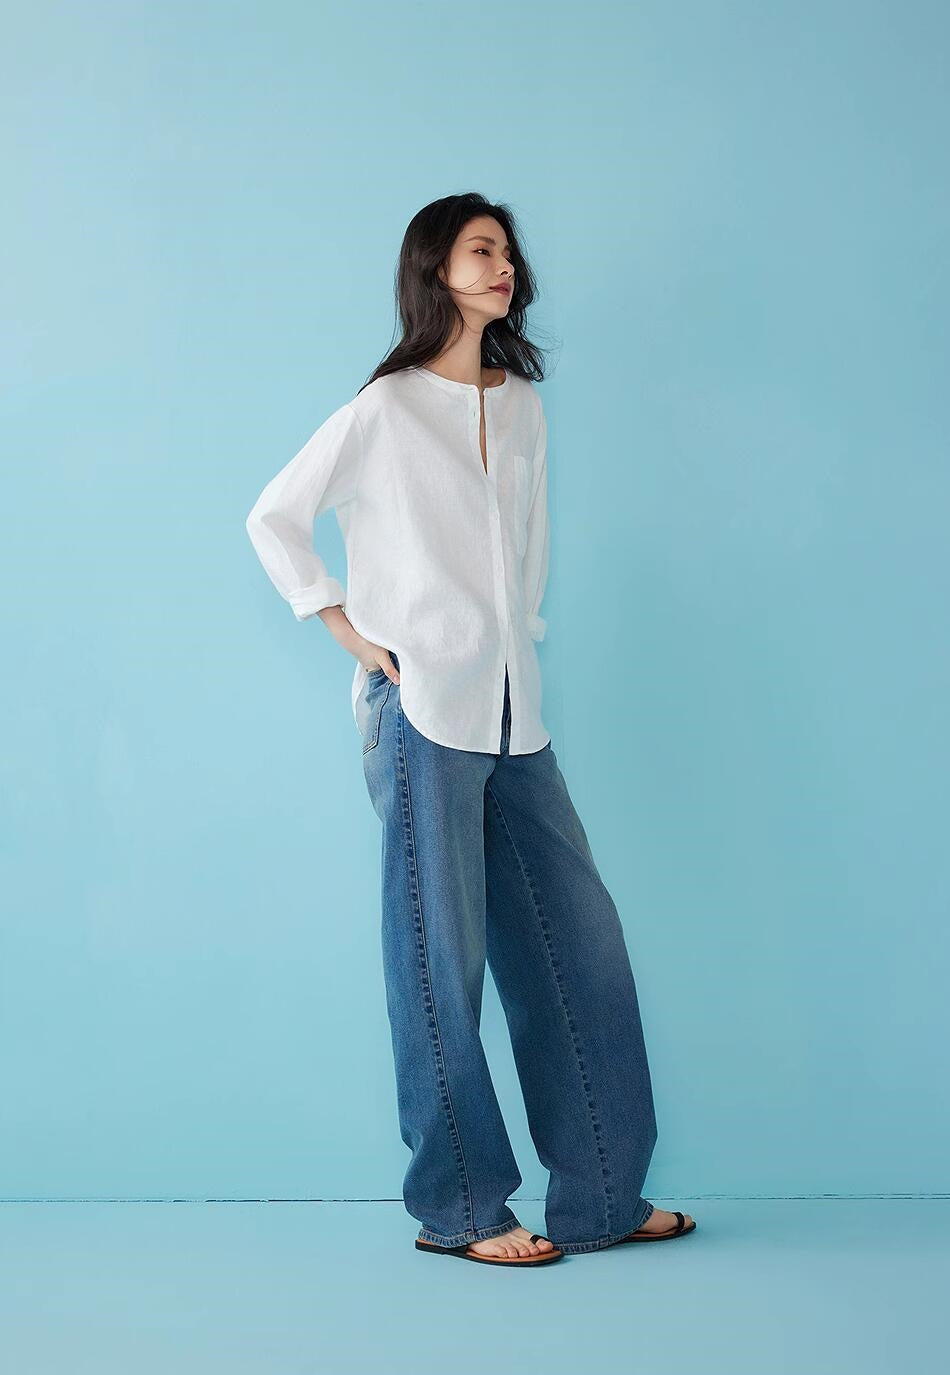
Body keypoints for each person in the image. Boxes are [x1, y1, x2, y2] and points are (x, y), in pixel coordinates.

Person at [245, 192, 696, 1266]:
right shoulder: (385, 408)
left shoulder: (524, 406)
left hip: (513, 711)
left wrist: (516, 645)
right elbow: (274, 514)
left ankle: (600, 1195)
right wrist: (347, 630)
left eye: (508, 253)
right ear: (434, 269)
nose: (505, 267)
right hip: (420, 710)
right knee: (438, 960)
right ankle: (459, 1207)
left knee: (579, 946)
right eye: (481, 250)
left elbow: (525, 556)